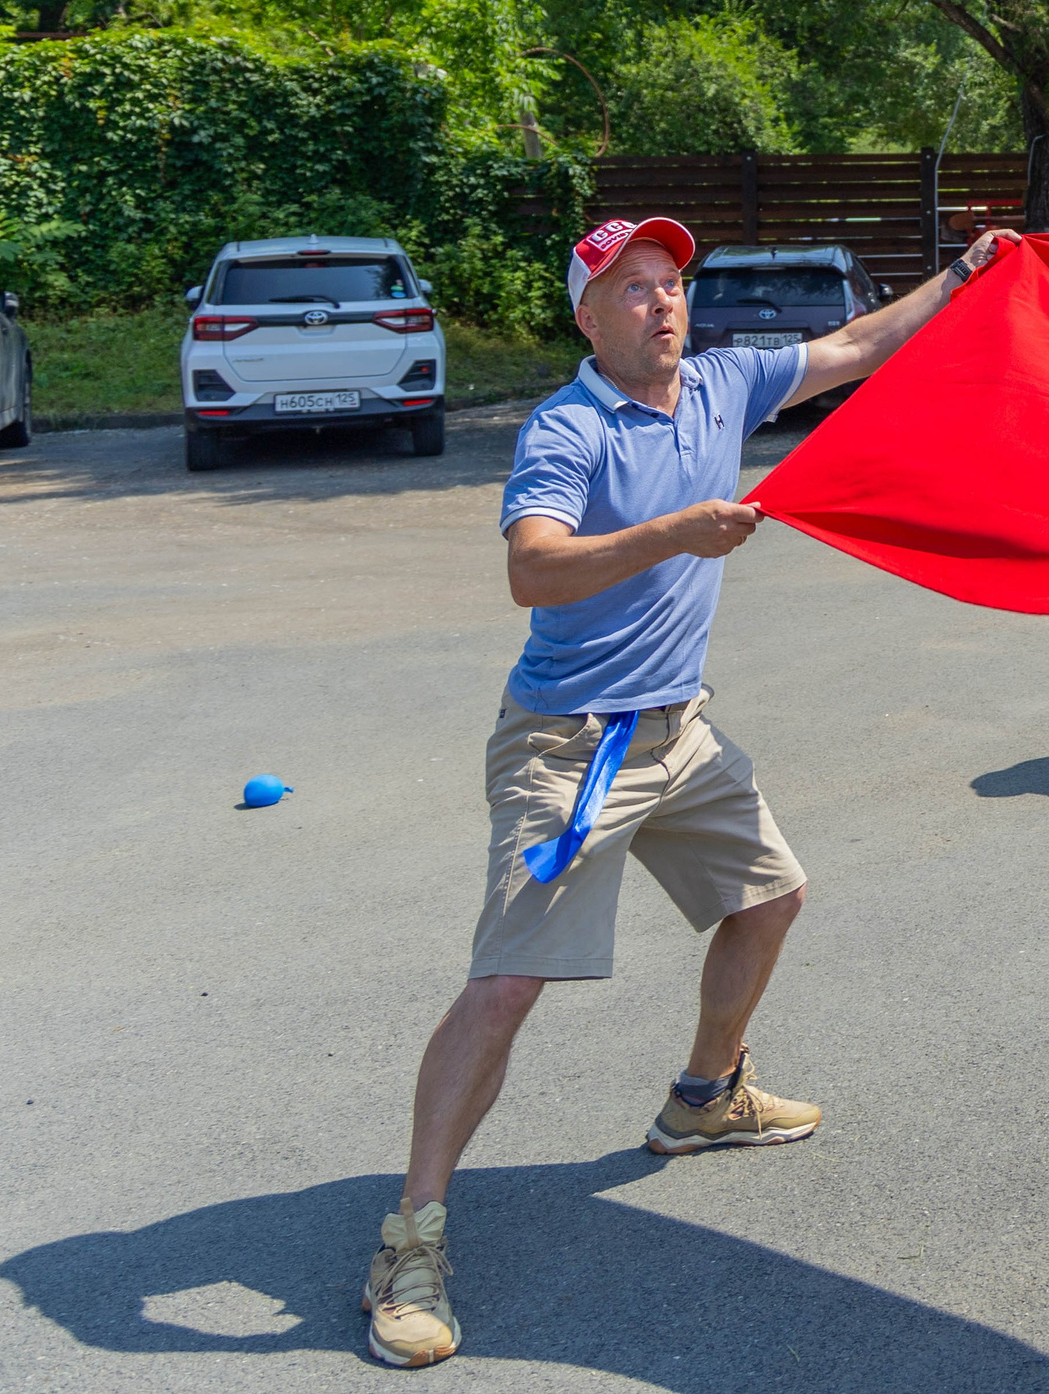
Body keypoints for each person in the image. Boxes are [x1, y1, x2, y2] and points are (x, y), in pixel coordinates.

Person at [358, 211, 1014, 1369]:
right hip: (570, 746)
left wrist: (965, 272)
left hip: (683, 729)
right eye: (635, 288)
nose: (664, 301)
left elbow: (858, 348)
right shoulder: (568, 426)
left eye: (672, 282)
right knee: (507, 983)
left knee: (770, 898)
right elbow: (532, 564)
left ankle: (705, 1094)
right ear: (588, 317)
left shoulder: (722, 383)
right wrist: (674, 532)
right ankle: (411, 1236)